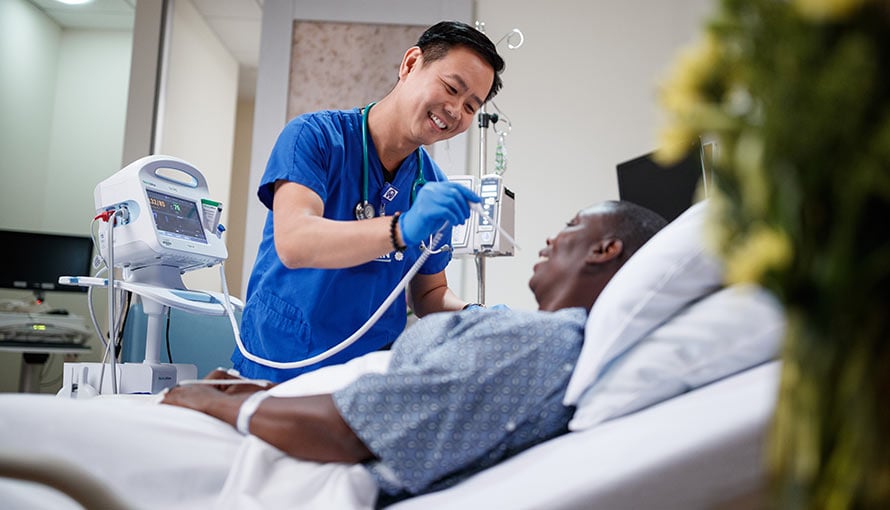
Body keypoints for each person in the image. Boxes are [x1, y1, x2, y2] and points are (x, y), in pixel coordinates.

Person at [0, 200, 666, 509]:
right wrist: (247, 398)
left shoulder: (545, 342)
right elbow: (296, 245)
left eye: (574, 226)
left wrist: (215, 401)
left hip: (283, 455)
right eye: (453, 90)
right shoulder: (519, 330)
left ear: (607, 252)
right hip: (277, 417)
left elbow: (353, 430)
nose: (552, 236)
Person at [236, 21, 507, 383]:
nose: (456, 110)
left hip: (367, 377)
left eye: (472, 106)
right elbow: (295, 242)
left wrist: (472, 314)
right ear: (411, 64)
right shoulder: (314, 138)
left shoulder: (431, 187)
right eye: (451, 88)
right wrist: (401, 229)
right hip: (280, 361)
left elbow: (430, 293)